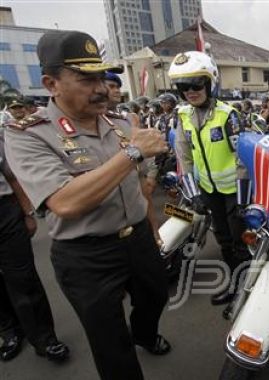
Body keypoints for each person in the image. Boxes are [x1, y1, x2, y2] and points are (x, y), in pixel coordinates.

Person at [4, 30, 171, 379]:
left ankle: (144, 333)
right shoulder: (28, 133)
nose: (100, 88)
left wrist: (152, 227)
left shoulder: (122, 122)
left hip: (138, 239)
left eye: (101, 77)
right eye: (85, 78)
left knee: (156, 296)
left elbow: (138, 183)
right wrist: (133, 152)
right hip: (87, 256)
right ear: (52, 84)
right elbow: (64, 201)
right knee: (110, 343)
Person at [168, 50, 250, 307]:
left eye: (196, 84)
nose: (190, 91)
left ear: (210, 82)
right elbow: (185, 158)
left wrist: (242, 198)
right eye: (183, 86)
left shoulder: (229, 114)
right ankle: (236, 285)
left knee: (239, 242)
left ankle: (246, 287)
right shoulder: (182, 117)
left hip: (233, 192)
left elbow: (243, 159)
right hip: (208, 192)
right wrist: (194, 195)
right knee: (224, 241)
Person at [0, 125, 69, 363]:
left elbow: (11, 176)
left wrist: (27, 212)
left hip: (5, 211)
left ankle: (44, 338)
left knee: (22, 277)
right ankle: (9, 331)